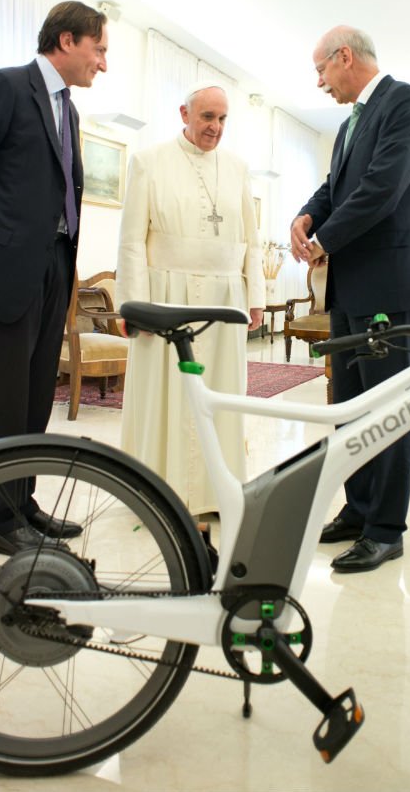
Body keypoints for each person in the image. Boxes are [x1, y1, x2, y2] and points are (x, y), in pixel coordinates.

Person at [0, 1, 108, 554]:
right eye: (98, 49)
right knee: (5, 399)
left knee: (36, 396)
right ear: (65, 40)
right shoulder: (4, 88)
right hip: (2, 266)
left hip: (54, 264)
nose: (102, 63)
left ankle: (22, 503)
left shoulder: (70, 111)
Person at [291, 26, 410, 573]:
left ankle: (385, 528)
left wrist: (324, 240)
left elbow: (383, 187)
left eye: (321, 70)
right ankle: (357, 508)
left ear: (344, 56)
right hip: (350, 286)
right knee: (348, 407)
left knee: (389, 409)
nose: (321, 83)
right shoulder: (349, 124)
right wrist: (307, 215)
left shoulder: (404, 103)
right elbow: (337, 188)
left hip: (389, 285)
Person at [117, 83, 264, 518]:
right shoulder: (148, 161)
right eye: (207, 118)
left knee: (220, 390)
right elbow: (130, 242)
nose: (215, 128)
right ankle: (158, 491)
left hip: (224, 296)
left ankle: (214, 491)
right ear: (185, 113)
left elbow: (251, 241)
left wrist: (254, 296)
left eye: (222, 119)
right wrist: (132, 304)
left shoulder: (237, 167)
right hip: (164, 296)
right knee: (162, 391)